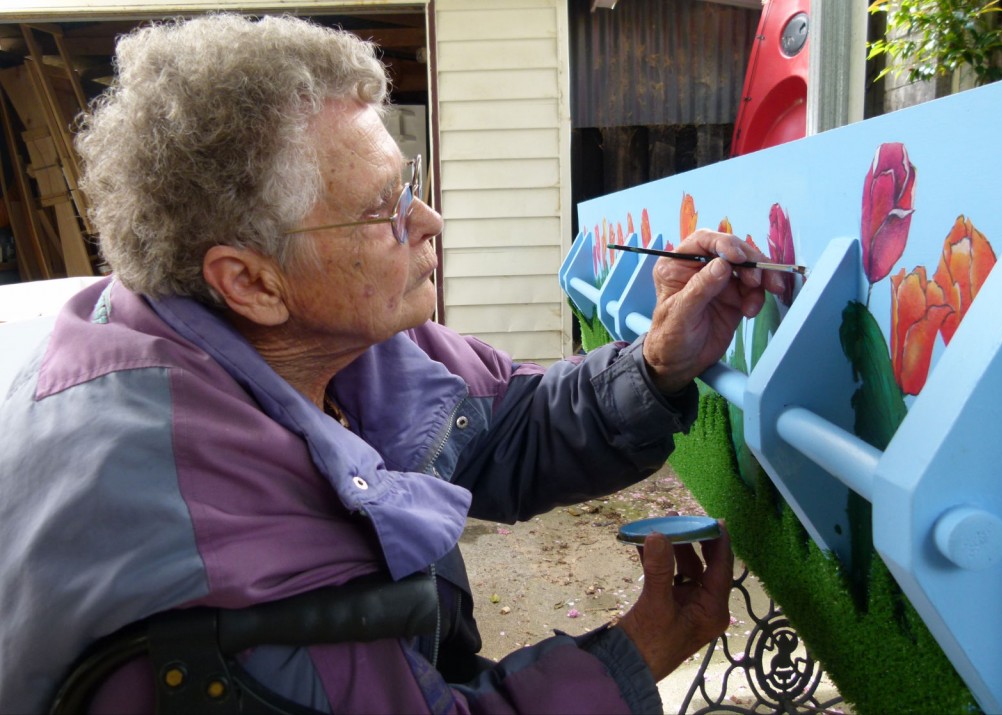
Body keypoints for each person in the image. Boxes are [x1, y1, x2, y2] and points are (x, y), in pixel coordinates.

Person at [0, 13, 784, 715]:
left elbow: (501, 424)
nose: (430, 220)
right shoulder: (227, 576)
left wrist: (654, 364)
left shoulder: (291, 335)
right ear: (249, 280)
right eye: (384, 208)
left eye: (407, 183)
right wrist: (636, 655)